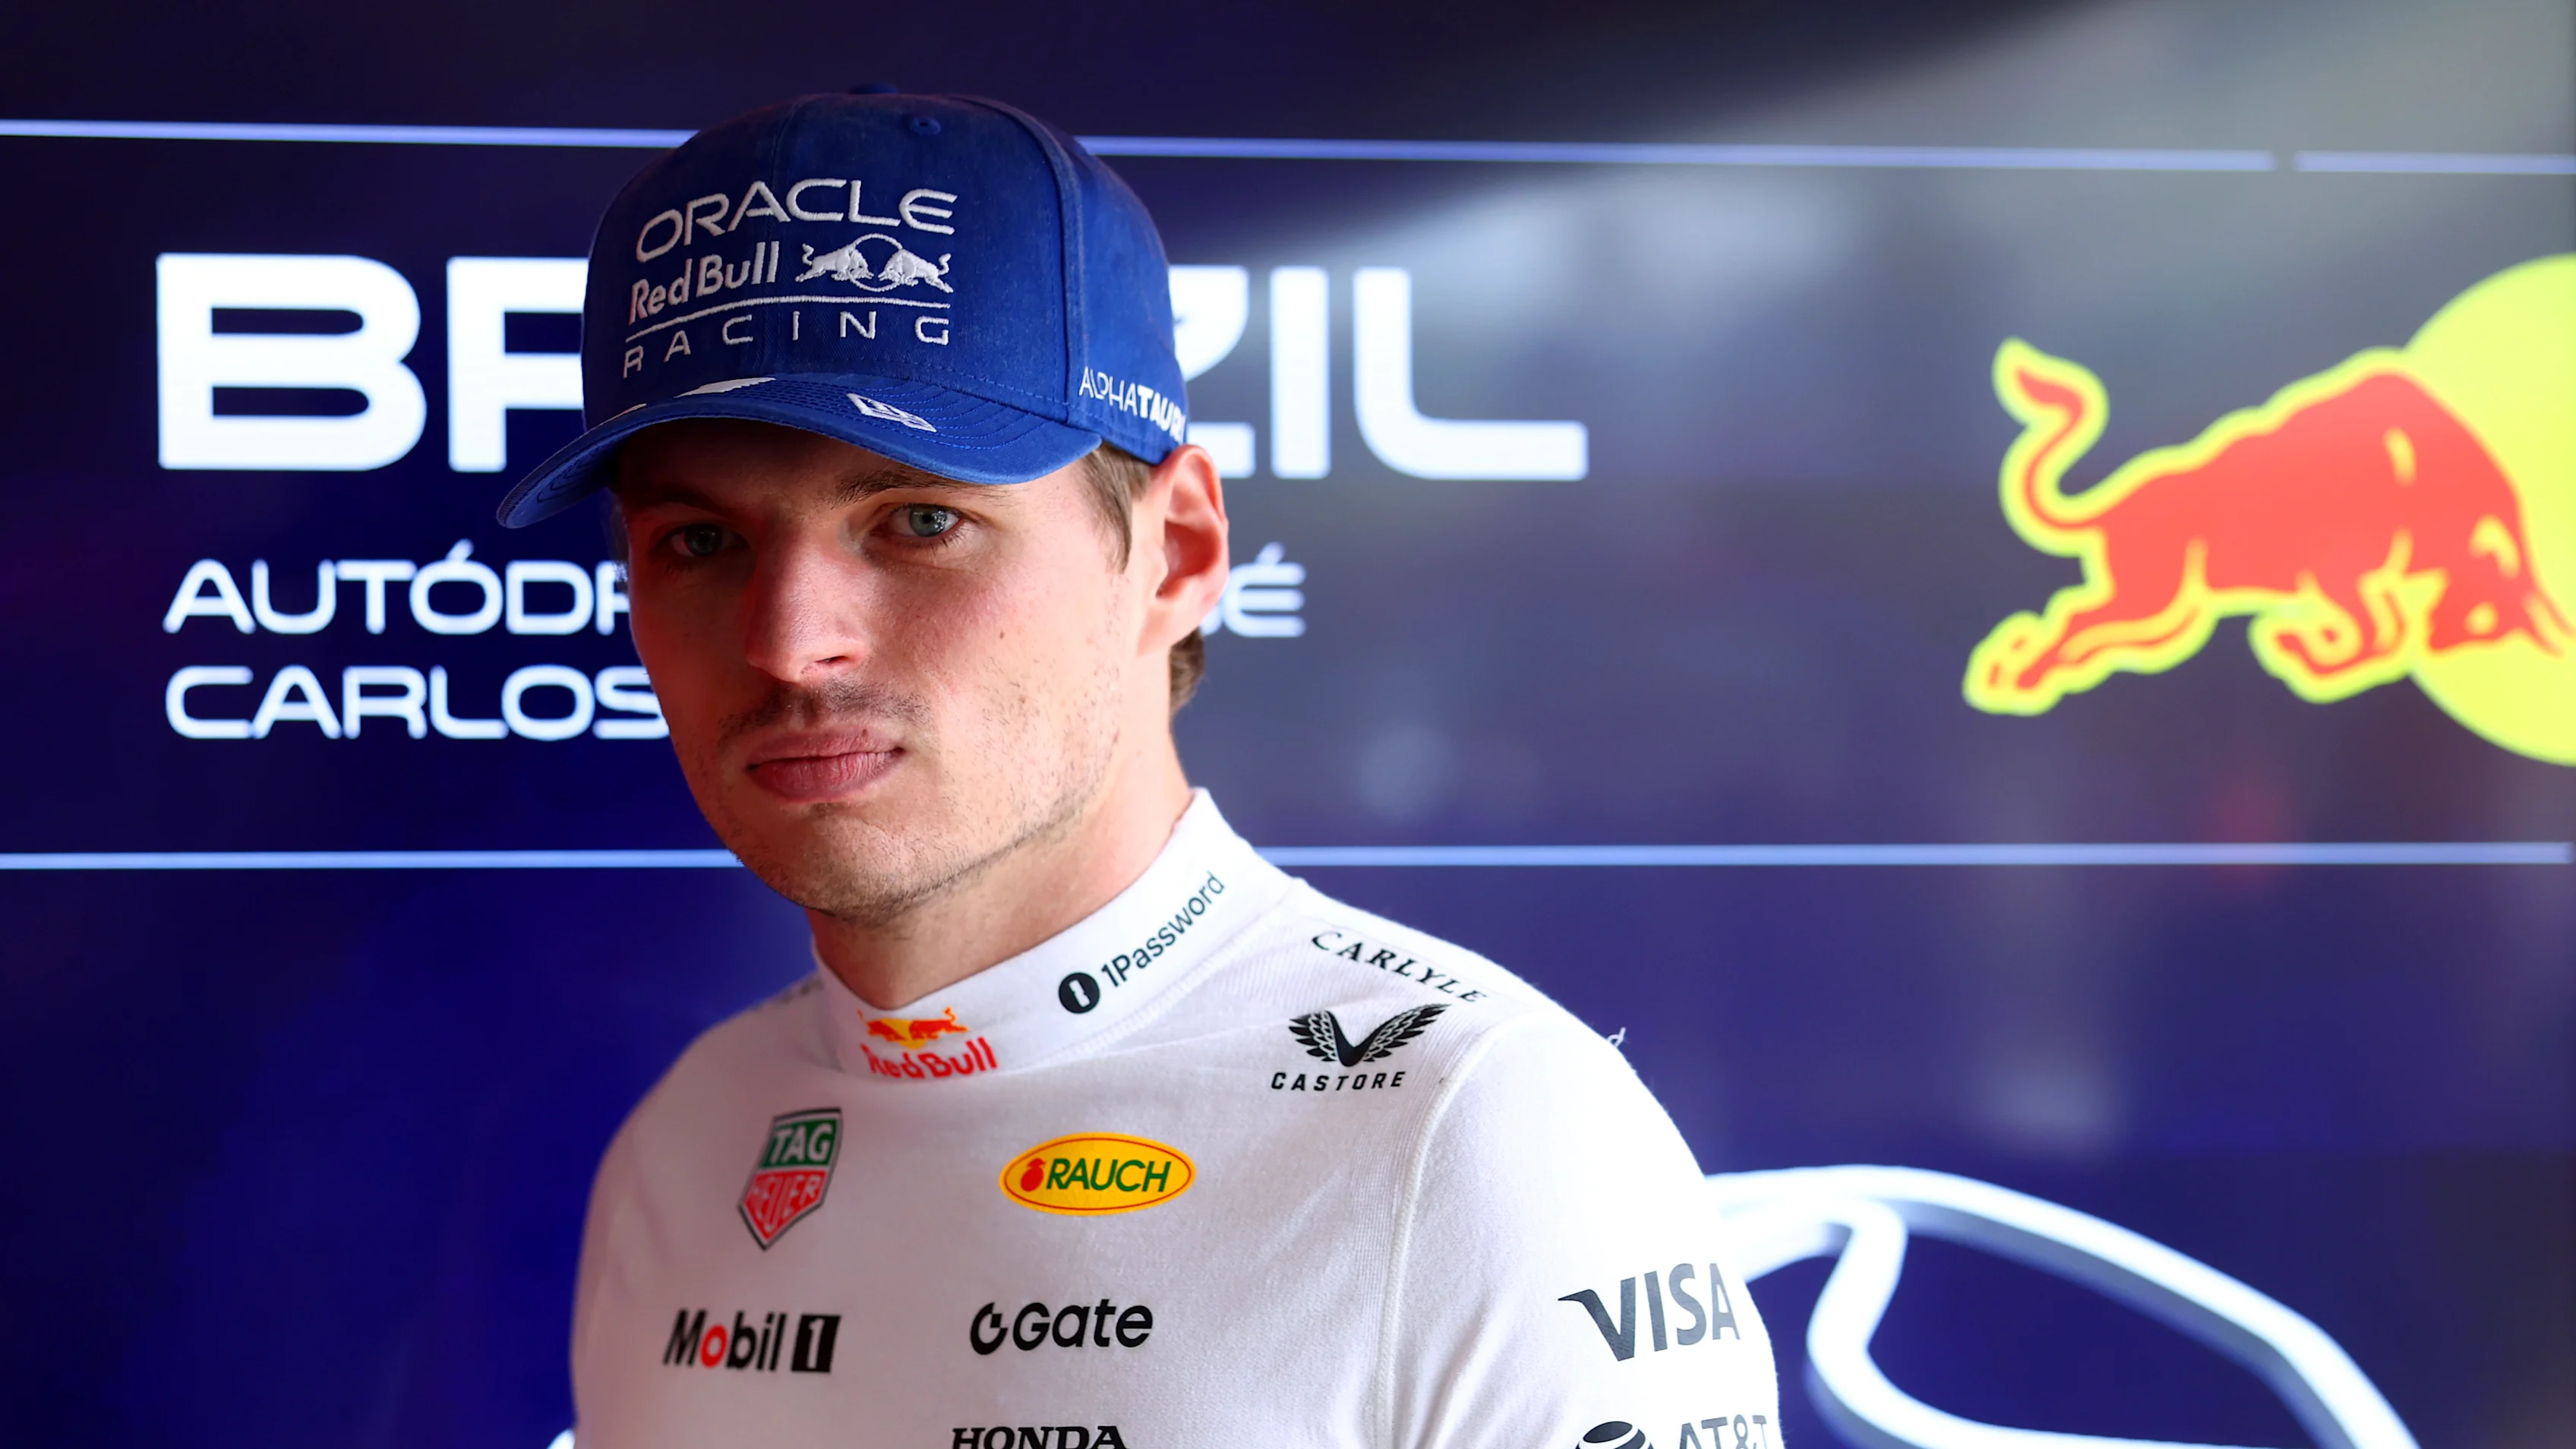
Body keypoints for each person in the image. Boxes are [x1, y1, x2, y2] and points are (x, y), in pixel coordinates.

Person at [499, 88, 1781, 1449]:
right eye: (699, 544)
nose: (790, 642)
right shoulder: (686, 1142)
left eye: (920, 519)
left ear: (1173, 553)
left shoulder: (1476, 1136)